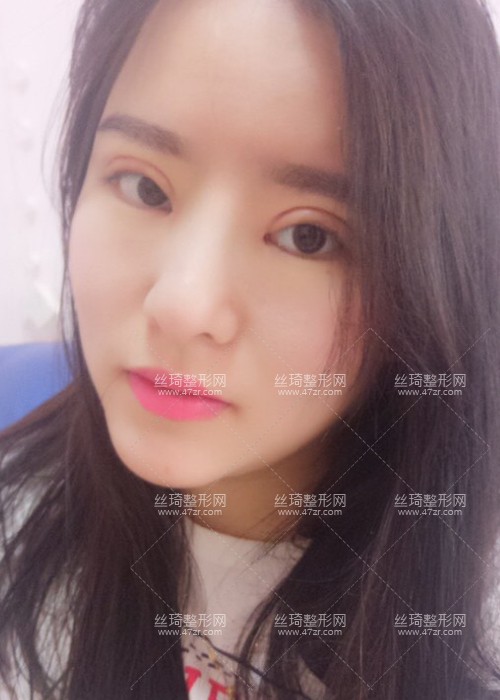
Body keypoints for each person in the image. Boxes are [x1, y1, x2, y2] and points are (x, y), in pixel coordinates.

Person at [1, 0, 500, 697]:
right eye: (145, 188)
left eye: (308, 237)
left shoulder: (471, 626)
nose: (182, 305)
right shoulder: (19, 524)